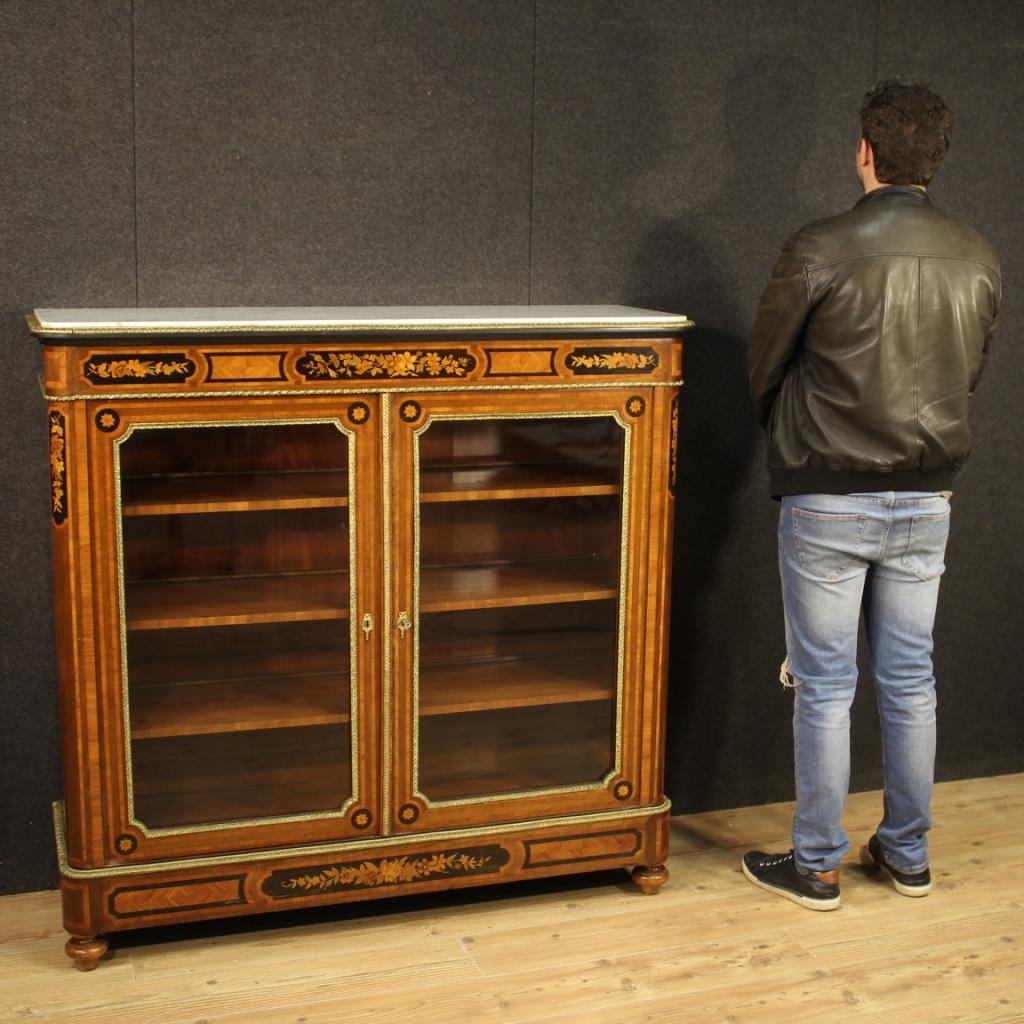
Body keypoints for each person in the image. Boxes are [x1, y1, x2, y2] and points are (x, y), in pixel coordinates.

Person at [742, 81, 1000, 910]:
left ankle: (817, 864)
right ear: (936, 158)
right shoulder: (979, 255)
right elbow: (968, 373)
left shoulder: (821, 246)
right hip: (928, 500)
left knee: (824, 686)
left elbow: (765, 364)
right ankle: (908, 857)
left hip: (827, 495)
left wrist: (794, 445)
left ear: (865, 152)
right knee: (911, 680)